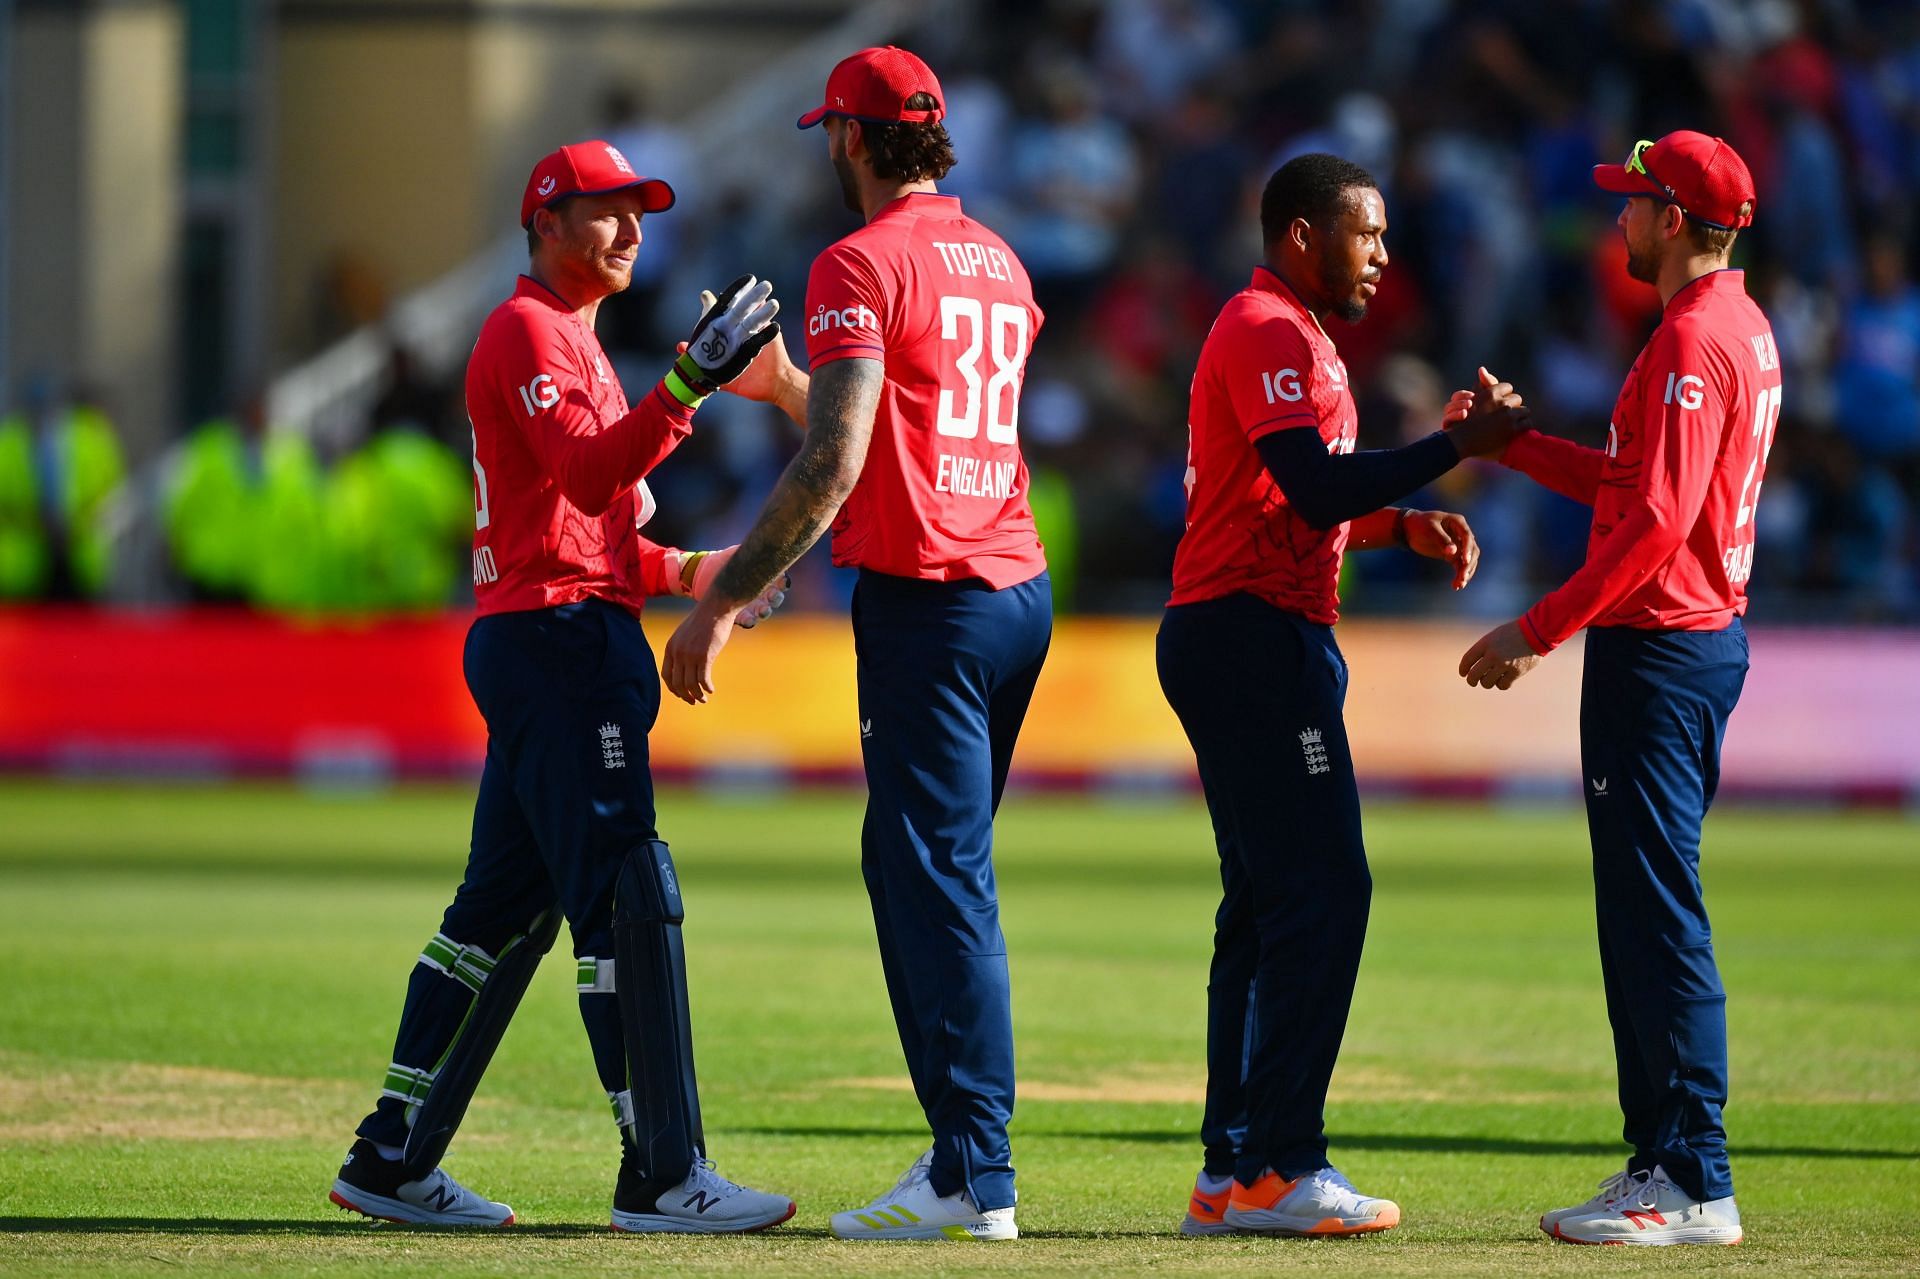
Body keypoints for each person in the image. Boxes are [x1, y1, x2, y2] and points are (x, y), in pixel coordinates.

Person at [328, 139, 798, 1234]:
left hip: (557, 635)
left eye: (641, 214)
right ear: (545, 220)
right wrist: (692, 379)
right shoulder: (528, 330)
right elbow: (594, 475)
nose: (633, 231)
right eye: (607, 212)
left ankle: (391, 1157)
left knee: (496, 915)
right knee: (626, 894)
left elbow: (588, 533)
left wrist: (691, 572)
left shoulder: (574, 339)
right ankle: (664, 1171)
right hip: (558, 650)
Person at [660, 46, 1049, 1242]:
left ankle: (973, 1177)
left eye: (831, 133)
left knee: (937, 881)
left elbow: (837, 466)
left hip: (930, 603)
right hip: (1015, 590)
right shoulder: (1000, 258)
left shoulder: (854, 262)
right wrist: (786, 385)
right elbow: (910, 430)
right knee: (923, 869)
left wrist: (723, 595)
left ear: (851, 139)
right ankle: (960, 1158)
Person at [1156, 153, 1526, 1239]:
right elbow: (1313, 483)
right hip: (1255, 638)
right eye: (1366, 234)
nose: (1383, 255)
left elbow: (1287, 494)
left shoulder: (1292, 337)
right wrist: (1454, 448)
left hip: (1238, 630)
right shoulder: (1269, 329)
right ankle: (1281, 1164)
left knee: (1266, 911)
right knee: (1328, 891)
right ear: (1305, 235)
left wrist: (1400, 524)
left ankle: (1230, 1171)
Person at [1459, 131, 1775, 1247]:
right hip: (1690, 647)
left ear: (1676, 221)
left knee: (1656, 914)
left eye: (1635, 205)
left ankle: (1693, 1176)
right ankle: (1663, 1164)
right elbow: (1629, 483)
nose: (1619, 223)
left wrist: (1535, 630)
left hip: (1662, 653)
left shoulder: (1693, 343)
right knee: (1643, 912)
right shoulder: (1731, 327)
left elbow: (1653, 523)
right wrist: (1513, 446)